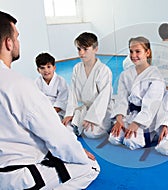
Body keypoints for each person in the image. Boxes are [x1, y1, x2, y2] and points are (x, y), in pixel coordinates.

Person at [0, 11, 99, 189]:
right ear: (8, 43)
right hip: (19, 177)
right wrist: (77, 152)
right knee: (91, 166)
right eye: (16, 37)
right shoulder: (20, 85)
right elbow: (57, 137)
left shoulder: (27, 84)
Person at [108, 36, 165, 150]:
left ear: (147, 52)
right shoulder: (126, 74)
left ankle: (148, 135)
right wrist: (119, 118)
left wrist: (136, 123)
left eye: (138, 51)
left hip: (146, 119)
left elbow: (151, 105)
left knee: (131, 142)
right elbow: (121, 98)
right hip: (130, 115)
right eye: (131, 51)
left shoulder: (155, 76)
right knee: (113, 139)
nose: (133, 55)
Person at [62, 32, 113, 138]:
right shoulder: (77, 68)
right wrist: (69, 113)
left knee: (91, 133)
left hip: (101, 111)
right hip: (86, 108)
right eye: (79, 49)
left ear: (95, 49)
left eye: (85, 49)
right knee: (66, 128)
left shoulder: (103, 70)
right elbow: (73, 93)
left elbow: (104, 97)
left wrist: (91, 118)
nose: (81, 53)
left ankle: (109, 124)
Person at [35, 52, 69, 120]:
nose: (46, 70)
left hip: (57, 112)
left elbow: (62, 102)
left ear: (54, 67)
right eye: (42, 68)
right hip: (43, 111)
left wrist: (50, 114)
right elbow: (36, 101)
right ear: (38, 70)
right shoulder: (37, 83)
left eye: (48, 67)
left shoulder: (61, 81)